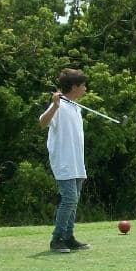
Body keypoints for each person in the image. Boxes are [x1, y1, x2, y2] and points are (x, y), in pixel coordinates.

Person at [39, 69, 92, 253]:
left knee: (74, 201)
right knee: (69, 199)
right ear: (74, 87)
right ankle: (57, 239)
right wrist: (54, 106)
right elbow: (42, 122)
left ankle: (68, 237)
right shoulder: (59, 106)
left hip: (77, 161)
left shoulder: (76, 107)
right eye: (83, 85)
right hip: (63, 161)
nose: (85, 88)